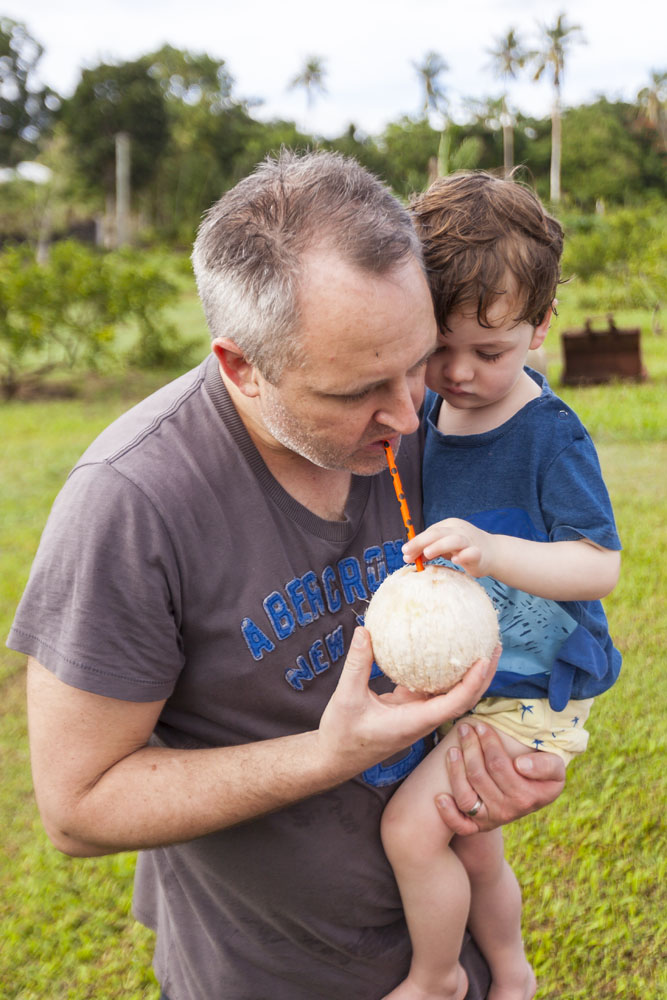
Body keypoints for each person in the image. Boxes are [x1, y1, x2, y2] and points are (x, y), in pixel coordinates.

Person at [8, 152, 566, 1000]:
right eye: (355, 391)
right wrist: (327, 755)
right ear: (241, 367)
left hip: (459, 940)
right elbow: (78, 807)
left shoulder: (452, 411)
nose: (407, 412)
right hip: (270, 973)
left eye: (416, 361)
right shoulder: (131, 502)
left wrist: (517, 746)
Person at [379, 171, 622, 1000]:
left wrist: (493, 550)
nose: (457, 373)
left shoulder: (549, 437)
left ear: (540, 324)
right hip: (470, 679)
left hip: (532, 691)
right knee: (475, 846)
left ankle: (437, 978)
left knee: (412, 831)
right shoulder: (426, 416)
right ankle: (510, 972)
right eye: (436, 347)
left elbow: (598, 564)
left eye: (489, 352)